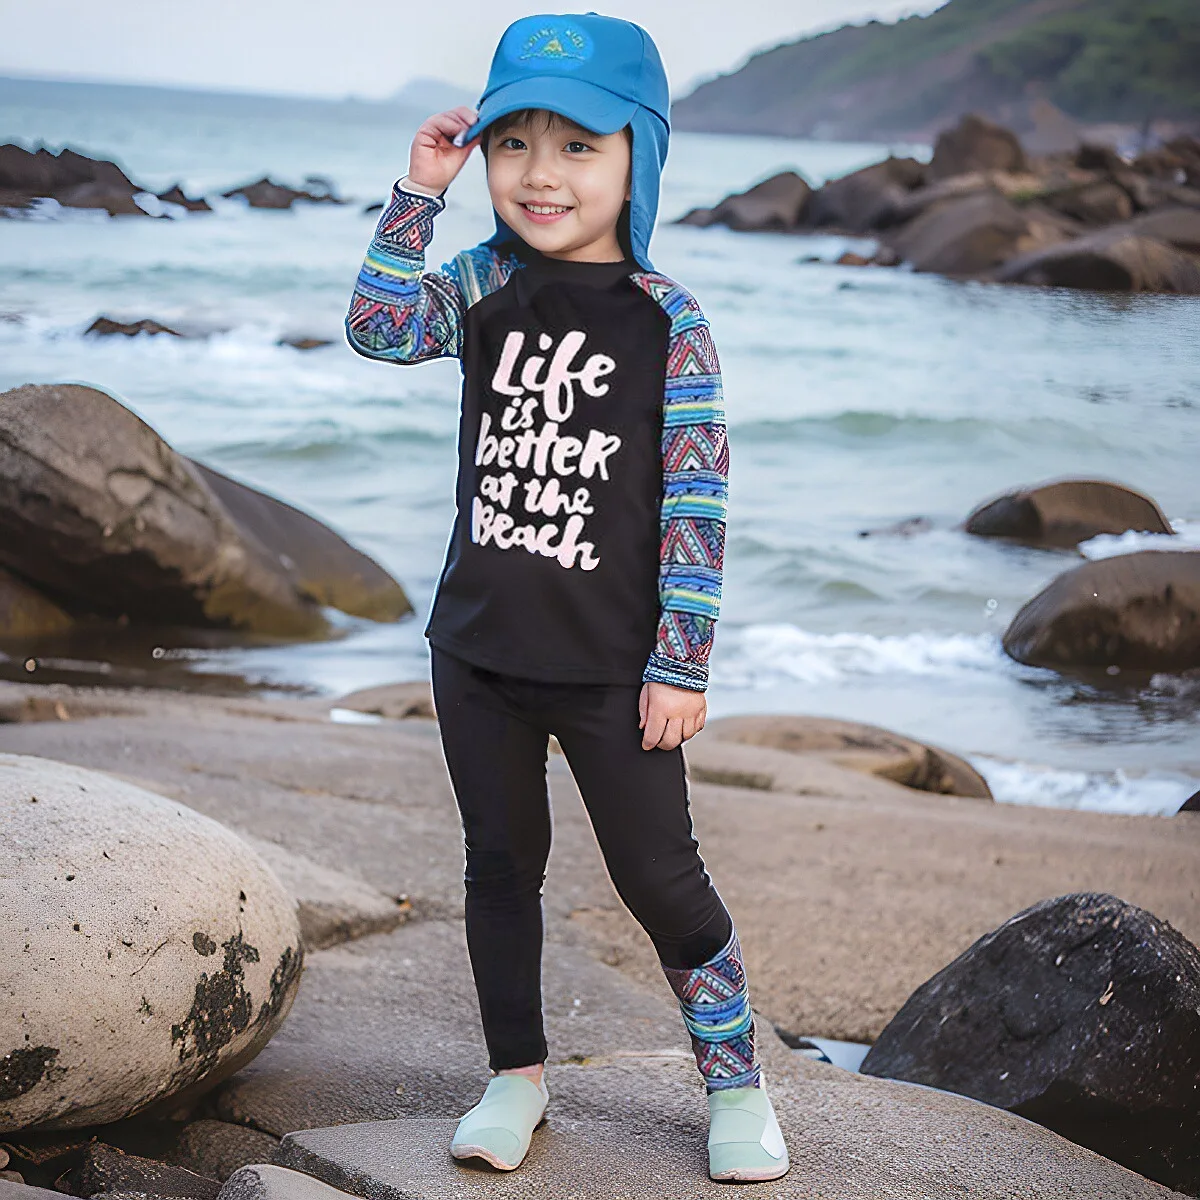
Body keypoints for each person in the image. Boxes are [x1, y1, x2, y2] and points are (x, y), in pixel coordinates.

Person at [345, 12, 789, 1184]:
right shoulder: (482, 282)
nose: (541, 173)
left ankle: (737, 1086)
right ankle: (516, 1077)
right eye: (514, 143)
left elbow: (697, 503)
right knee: (500, 868)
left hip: (615, 669)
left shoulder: (669, 319)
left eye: (578, 146)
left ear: (641, 156)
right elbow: (378, 330)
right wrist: (419, 192)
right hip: (476, 650)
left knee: (661, 880)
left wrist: (681, 664)